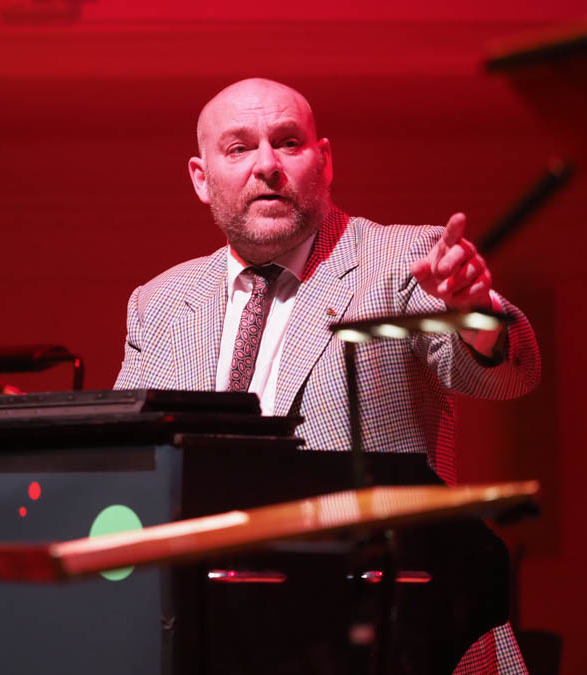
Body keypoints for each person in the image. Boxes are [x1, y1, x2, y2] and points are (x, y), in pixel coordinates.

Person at [113, 78, 540, 673]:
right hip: (214, 637)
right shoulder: (159, 303)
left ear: (325, 160)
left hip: (392, 633)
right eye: (239, 148)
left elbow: (501, 374)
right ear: (200, 178)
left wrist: (474, 313)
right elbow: (128, 468)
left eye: (288, 142)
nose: (267, 165)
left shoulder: (402, 264)